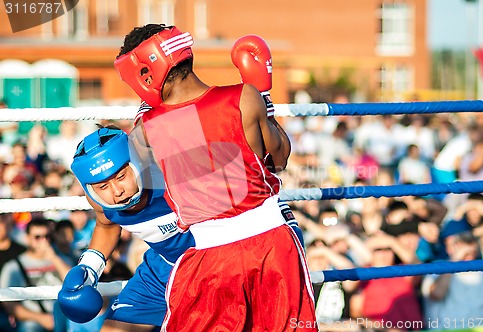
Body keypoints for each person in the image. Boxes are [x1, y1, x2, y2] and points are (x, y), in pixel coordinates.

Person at [114, 25, 316, 331]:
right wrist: (264, 101)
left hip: (210, 256)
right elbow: (279, 159)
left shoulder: (145, 129)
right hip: (271, 244)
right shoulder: (244, 98)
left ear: (147, 67)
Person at [57, 126, 195, 330]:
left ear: (137, 162)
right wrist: (90, 267)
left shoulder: (171, 175)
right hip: (161, 268)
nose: (117, 191)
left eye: (121, 176)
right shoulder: (101, 201)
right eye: (103, 186)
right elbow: (107, 225)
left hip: (213, 263)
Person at [0, 217, 71, 332]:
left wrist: (54, 258)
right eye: (37, 237)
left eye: (47, 236)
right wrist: (41, 318)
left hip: (65, 317)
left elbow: (75, 284)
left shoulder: (61, 259)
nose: (44, 241)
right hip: (33, 320)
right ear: (27, 238)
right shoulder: (14, 266)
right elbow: (9, 305)